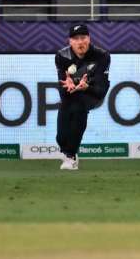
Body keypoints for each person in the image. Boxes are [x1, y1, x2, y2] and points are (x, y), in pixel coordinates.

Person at [55, 24, 110, 170]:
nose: (80, 42)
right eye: (76, 39)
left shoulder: (102, 55)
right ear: (70, 41)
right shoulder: (62, 56)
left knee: (79, 106)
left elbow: (101, 88)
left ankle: (71, 156)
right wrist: (68, 87)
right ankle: (67, 150)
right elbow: (62, 86)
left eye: (83, 38)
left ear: (89, 39)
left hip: (92, 93)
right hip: (72, 93)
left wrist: (87, 87)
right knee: (61, 137)